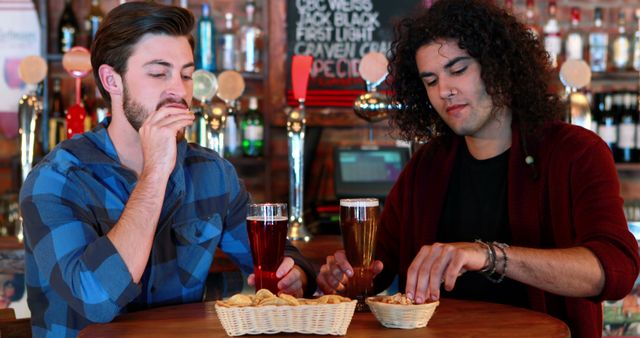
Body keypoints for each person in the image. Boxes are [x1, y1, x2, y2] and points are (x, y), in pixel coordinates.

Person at [317, 0, 640, 336]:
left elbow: (615, 269)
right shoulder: (427, 165)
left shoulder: (576, 152)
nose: (445, 90)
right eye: (430, 81)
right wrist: (345, 277)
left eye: (458, 70)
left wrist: (488, 255)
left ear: (497, 65)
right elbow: (376, 270)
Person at [19, 3, 316, 337]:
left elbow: (277, 260)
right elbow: (96, 299)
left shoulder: (212, 173)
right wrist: (155, 172)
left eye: (186, 74)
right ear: (111, 80)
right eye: (159, 73)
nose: (179, 90)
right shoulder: (57, 180)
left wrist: (296, 277)